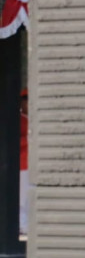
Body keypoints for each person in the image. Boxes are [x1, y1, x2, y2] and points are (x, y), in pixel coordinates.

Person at [18, 89, 28, 237]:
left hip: (35, 165)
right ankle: (23, 225)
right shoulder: (18, 119)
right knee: (22, 198)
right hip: (22, 164)